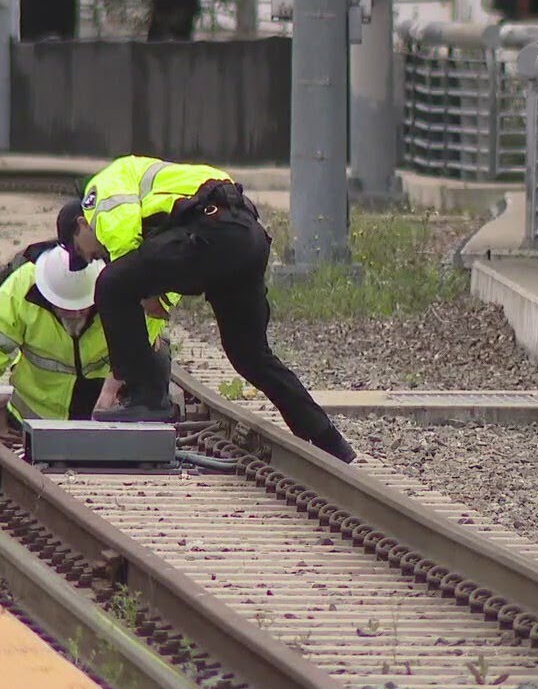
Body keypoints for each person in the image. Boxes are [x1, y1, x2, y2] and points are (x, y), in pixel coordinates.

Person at [56, 154, 356, 464]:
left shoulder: (99, 194)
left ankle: (146, 398)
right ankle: (327, 439)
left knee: (109, 283)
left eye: (83, 252)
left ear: (82, 224)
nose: (93, 257)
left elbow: (123, 246)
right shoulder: (150, 197)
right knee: (249, 356)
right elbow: (151, 294)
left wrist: (118, 380)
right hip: (245, 238)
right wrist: (151, 299)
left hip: (211, 228)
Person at [0, 238, 178, 434]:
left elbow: (148, 328)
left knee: (158, 350)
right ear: (48, 295)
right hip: (35, 417)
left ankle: (145, 420)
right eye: (67, 307)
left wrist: (112, 388)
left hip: (106, 414)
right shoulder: (22, 287)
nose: (77, 312)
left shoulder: (116, 286)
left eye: (83, 306)